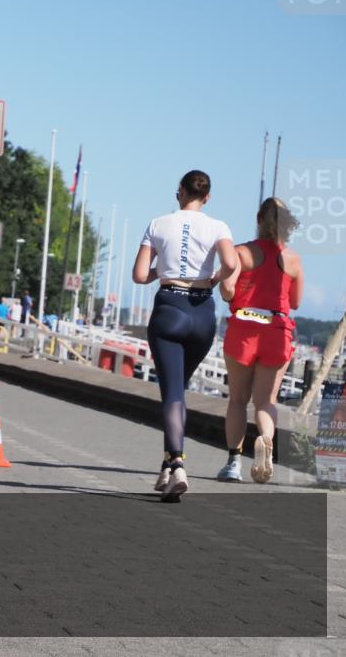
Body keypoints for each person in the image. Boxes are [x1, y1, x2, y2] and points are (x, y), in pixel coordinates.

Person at [132, 170, 237, 499]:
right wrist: (214, 278)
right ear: (206, 198)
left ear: (179, 192)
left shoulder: (158, 223)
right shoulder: (218, 226)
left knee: (173, 393)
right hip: (203, 313)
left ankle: (177, 463)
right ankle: (166, 465)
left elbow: (138, 275)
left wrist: (160, 272)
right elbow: (232, 263)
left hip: (169, 308)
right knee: (176, 390)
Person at [217, 198, 304, 484]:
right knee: (266, 402)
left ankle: (232, 463)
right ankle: (265, 439)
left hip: (244, 327)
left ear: (258, 218)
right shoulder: (292, 260)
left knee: (238, 400)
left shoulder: (242, 253)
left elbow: (228, 293)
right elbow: (295, 302)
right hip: (277, 331)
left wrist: (229, 286)